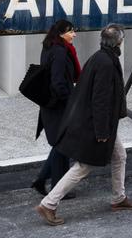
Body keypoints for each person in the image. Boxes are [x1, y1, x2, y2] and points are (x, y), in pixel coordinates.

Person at [35, 25, 132, 226]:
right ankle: (49, 204)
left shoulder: (101, 57)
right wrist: (102, 131)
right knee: (84, 166)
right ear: (118, 41)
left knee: (119, 155)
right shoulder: (105, 63)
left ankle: (119, 198)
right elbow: (100, 100)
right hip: (97, 126)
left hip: (101, 124)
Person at [31, 19, 80, 199]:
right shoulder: (59, 52)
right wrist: (71, 103)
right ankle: (57, 188)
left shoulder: (49, 47)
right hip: (58, 106)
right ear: (61, 33)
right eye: (70, 32)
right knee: (62, 145)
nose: (74, 34)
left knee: (61, 144)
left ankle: (43, 180)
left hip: (51, 105)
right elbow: (59, 82)